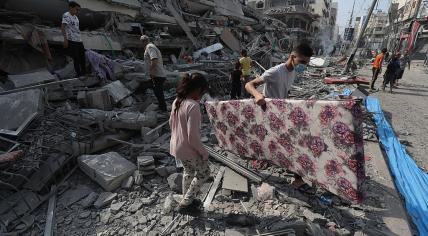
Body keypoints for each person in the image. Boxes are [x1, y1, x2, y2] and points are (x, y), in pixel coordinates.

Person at [245, 43, 314, 192]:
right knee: (291, 145)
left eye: (306, 63)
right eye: (302, 62)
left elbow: (284, 91)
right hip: (269, 114)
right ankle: (297, 178)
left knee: (286, 143)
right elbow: (249, 84)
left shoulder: (293, 71)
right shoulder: (275, 71)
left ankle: (294, 175)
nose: (304, 65)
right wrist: (257, 94)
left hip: (281, 114)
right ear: (292, 56)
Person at [169, 73, 210, 210]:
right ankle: (186, 202)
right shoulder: (193, 106)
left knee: (188, 171)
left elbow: (171, 123)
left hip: (176, 147)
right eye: (202, 92)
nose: (202, 95)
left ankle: (186, 198)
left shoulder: (177, 101)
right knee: (204, 173)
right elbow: (192, 136)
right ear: (198, 89)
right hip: (188, 148)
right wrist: (203, 152)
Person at [140, 35, 168, 112]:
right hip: (157, 74)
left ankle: (163, 109)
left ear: (144, 41)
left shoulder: (150, 47)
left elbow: (154, 59)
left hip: (157, 75)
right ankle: (161, 107)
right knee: (157, 92)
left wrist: (151, 71)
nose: (141, 44)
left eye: (142, 42)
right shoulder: (150, 47)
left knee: (158, 92)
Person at [61, 1, 86, 76]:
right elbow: (63, 27)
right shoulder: (66, 15)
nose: (77, 11)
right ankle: (79, 74)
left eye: (78, 10)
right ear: (71, 8)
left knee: (82, 57)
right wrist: (65, 40)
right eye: (76, 9)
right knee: (76, 58)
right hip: (72, 40)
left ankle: (84, 73)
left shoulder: (76, 18)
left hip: (79, 40)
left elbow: (76, 29)